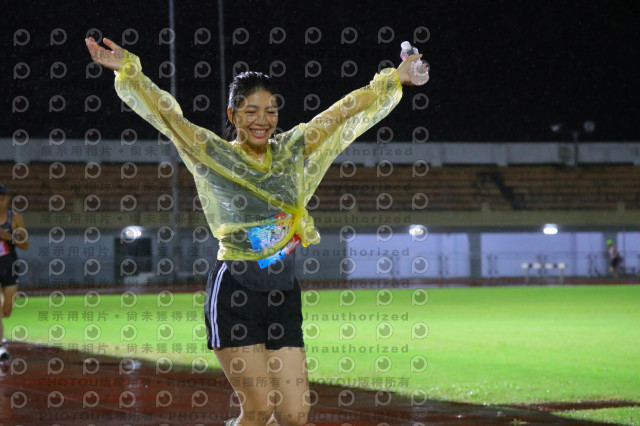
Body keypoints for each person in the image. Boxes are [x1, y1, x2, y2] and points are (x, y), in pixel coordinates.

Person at [85, 35, 427, 426]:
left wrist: (393, 79)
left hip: (283, 293)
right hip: (235, 293)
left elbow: (339, 114)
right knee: (259, 410)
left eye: (270, 111)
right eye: (251, 111)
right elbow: (170, 118)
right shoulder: (214, 154)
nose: (262, 120)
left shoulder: (292, 150)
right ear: (232, 115)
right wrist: (131, 71)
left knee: (294, 416)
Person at [0, 184, 29, 361]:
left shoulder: (15, 218)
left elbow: (25, 245)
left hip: (9, 266)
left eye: (2, 198)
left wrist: (8, 237)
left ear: (7, 199)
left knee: (7, 310)